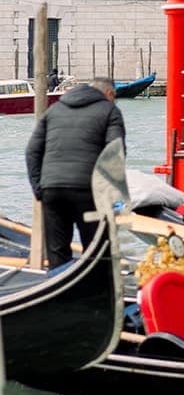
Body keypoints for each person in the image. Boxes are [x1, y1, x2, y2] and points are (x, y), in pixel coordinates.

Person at [24, 78, 126, 267]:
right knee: (97, 252)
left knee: (57, 253)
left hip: (52, 190)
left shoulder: (53, 110)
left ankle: (59, 287)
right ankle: (97, 290)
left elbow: (32, 151)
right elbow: (115, 153)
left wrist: (39, 188)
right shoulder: (110, 111)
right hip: (88, 192)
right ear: (110, 94)